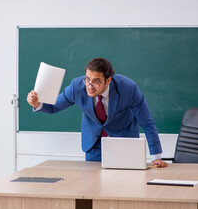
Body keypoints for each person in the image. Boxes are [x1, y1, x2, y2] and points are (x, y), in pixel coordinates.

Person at [27, 58, 167, 168]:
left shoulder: (128, 88)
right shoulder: (77, 86)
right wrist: (37, 104)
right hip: (94, 144)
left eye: (96, 81)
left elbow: (147, 123)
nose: (89, 85)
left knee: (124, 186)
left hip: (124, 142)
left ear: (108, 80)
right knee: (93, 186)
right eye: (87, 79)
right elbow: (53, 107)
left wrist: (156, 157)